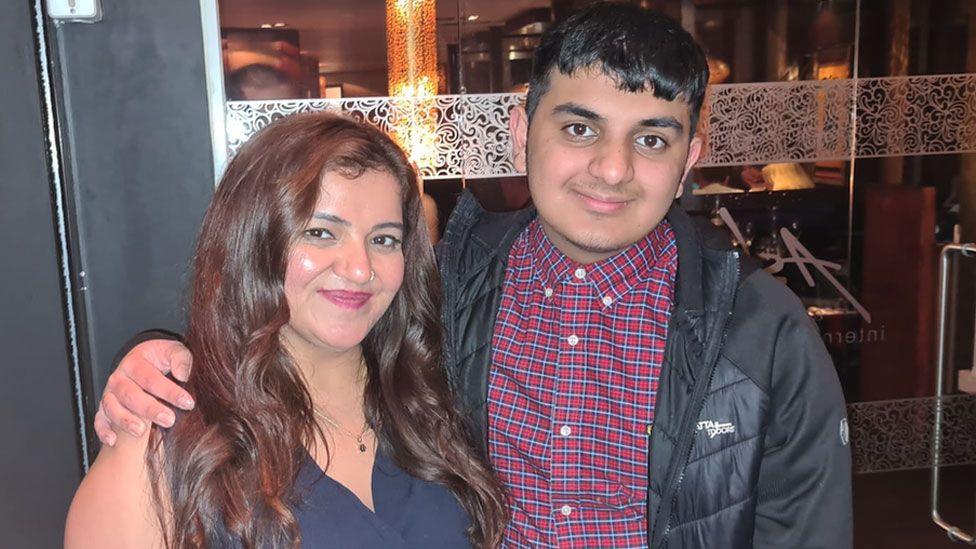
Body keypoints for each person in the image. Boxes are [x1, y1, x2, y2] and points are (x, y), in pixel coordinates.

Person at [92, 3, 853, 547]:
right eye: (579, 127)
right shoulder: (444, 291)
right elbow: (294, 318)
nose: (612, 169)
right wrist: (162, 352)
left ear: (689, 159)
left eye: (652, 139)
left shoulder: (762, 332)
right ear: (522, 131)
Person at [65, 112, 506, 548]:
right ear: (255, 240)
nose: (359, 268)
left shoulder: (431, 397)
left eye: (384, 239)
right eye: (320, 232)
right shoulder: (166, 426)